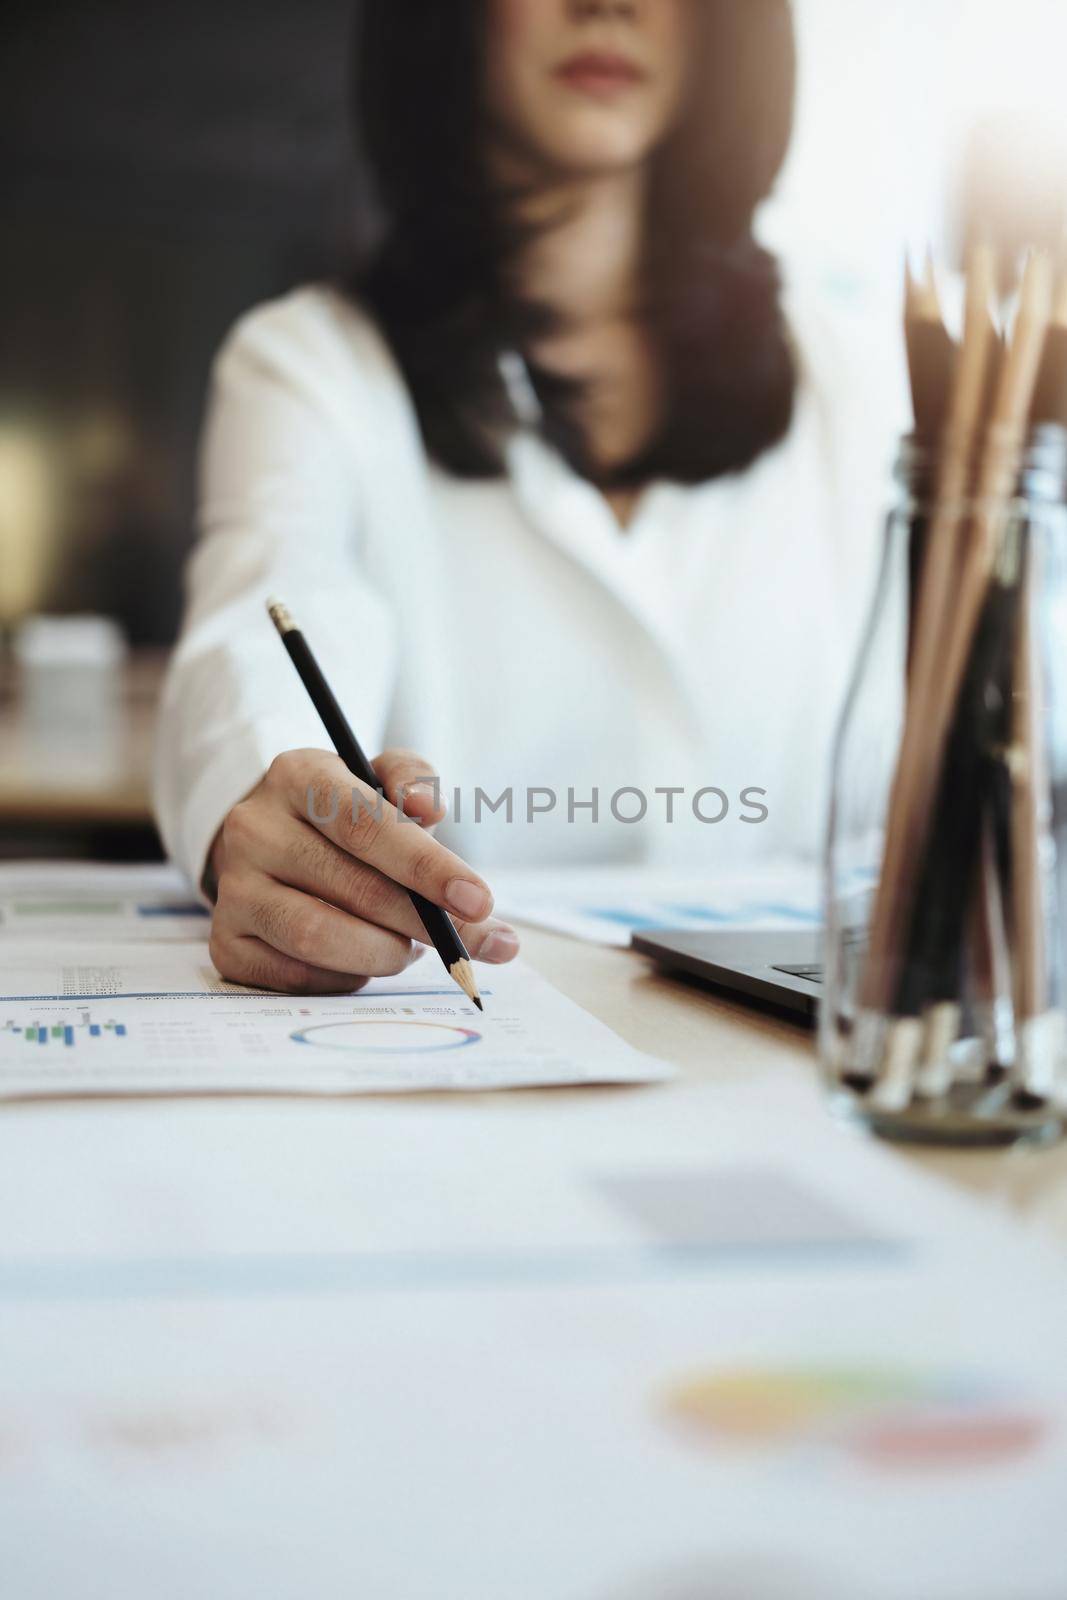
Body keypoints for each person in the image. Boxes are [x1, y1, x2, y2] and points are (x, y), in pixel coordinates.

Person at [154, 0, 900, 996]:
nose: (610, 7)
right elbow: (266, 617)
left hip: (805, 1068)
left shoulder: (857, 385)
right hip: (463, 1046)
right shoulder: (313, 365)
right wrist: (267, 792)